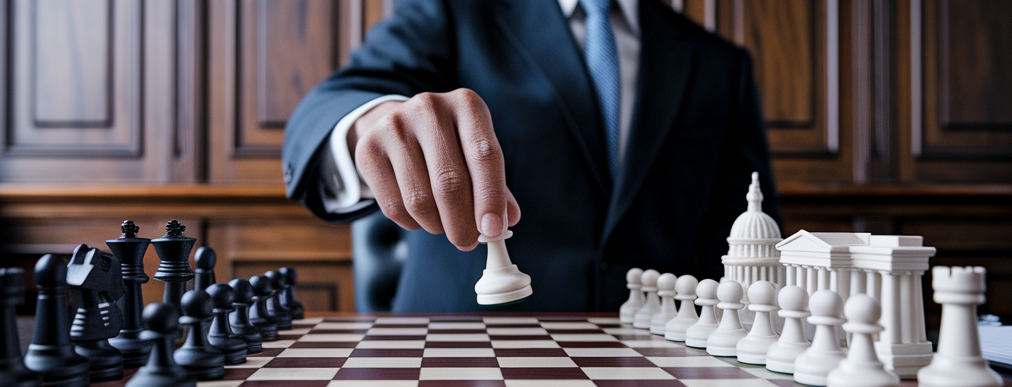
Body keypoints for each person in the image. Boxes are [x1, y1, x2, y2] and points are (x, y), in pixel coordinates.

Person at [281, 0, 782, 312]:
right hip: (460, 359)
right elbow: (331, 105)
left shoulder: (719, 64)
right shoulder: (454, 11)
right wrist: (372, 122)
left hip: (651, 364)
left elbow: (747, 243)